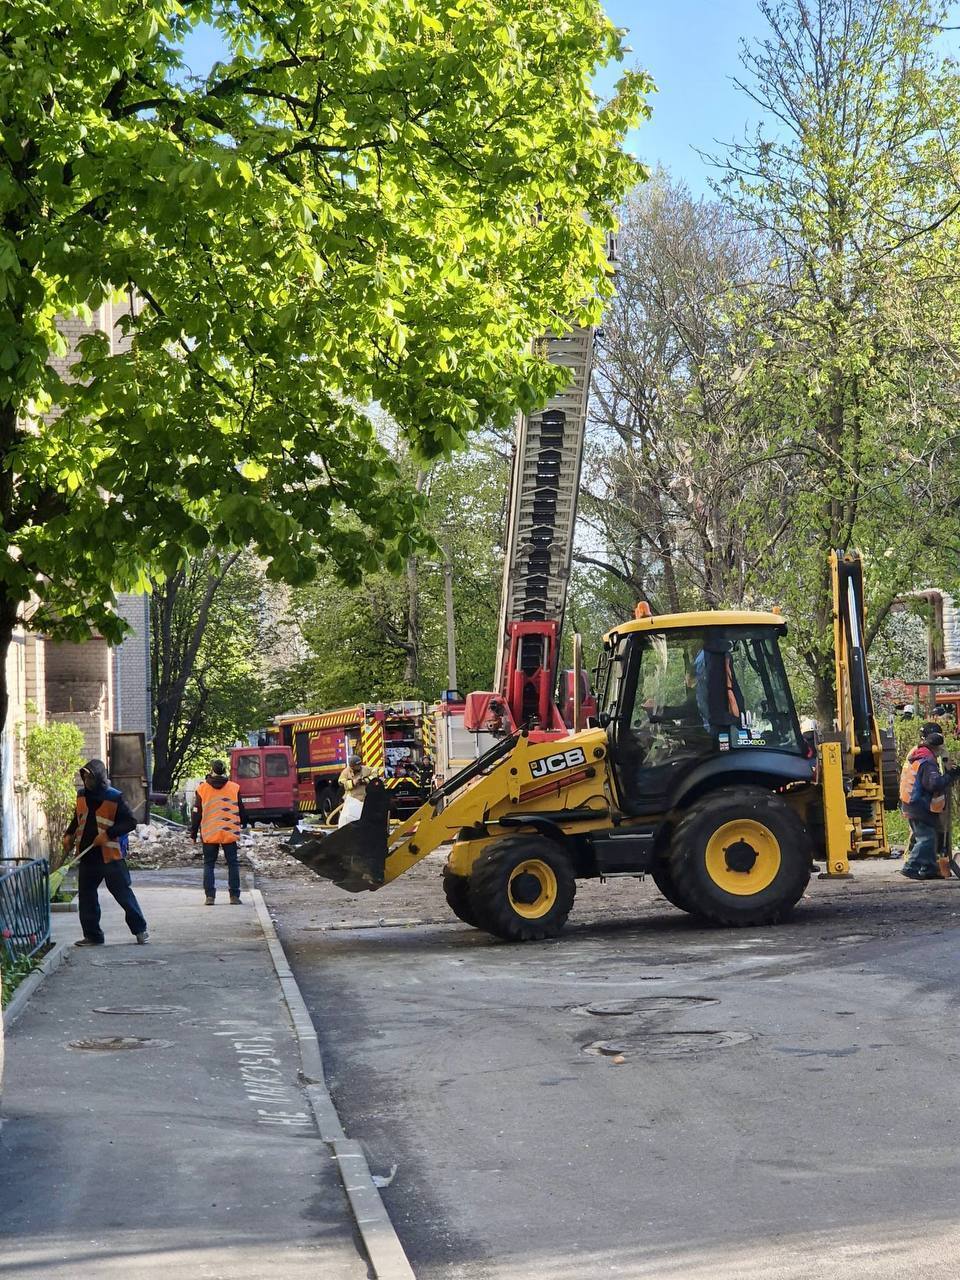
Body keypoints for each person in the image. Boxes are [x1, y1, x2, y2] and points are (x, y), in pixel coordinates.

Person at [63, 758, 147, 946]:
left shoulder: (114, 797)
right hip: (87, 856)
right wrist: (68, 834)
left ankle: (140, 930)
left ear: (99, 777)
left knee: (123, 894)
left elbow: (130, 822)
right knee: (87, 897)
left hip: (110, 857)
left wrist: (108, 834)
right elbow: (77, 819)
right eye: (84, 777)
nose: (86, 781)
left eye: (89, 777)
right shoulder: (81, 796)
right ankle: (93, 936)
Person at [899, 722, 960, 880]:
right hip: (919, 805)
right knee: (927, 838)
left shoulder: (920, 754)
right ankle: (911, 866)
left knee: (928, 836)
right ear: (936, 747)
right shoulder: (927, 761)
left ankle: (929, 868)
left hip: (913, 803)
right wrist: (950, 775)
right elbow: (933, 784)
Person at [191, 760, 247, 905]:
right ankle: (234, 896)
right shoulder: (234, 788)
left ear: (211, 770)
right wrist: (244, 823)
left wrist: (193, 832)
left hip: (209, 832)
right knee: (233, 863)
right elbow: (241, 809)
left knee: (209, 864)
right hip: (229, 832)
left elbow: (197, 813)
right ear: (224, 770)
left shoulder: (202, 789)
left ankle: (210, 897)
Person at [337, 753, 376, 827]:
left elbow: (374, 772)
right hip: (352, 800)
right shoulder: (346, 772)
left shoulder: (365, 769)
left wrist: (366, 780)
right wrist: (353, 782)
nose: (359, 767)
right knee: (350, 819)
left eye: (359, 765)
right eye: (357, 766)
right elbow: (341, 783)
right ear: (352, 766)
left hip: (363, 799)